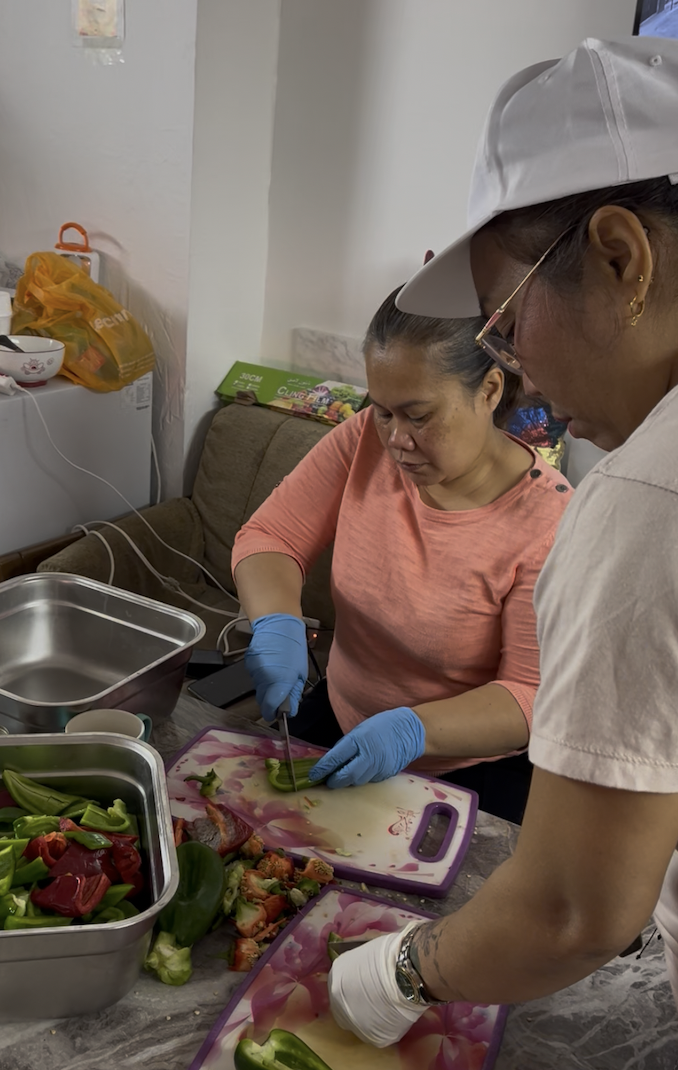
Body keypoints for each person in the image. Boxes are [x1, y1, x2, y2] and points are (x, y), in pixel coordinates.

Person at [327, 35, 678, 1049]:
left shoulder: (644, 499)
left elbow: (572, 908)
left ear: (621, 257)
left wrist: (397, 972)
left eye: (506, 321)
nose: (513, 364)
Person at [232, 295, 572, 825]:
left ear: (489, 390)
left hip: (466, 768)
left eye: (418, 416)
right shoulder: (363, 441)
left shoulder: (549, 522)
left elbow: (528, 696)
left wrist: (415, 729)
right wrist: (276, 621)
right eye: (383, 411)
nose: (395, 439)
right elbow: (272, 535)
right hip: (341, 719)